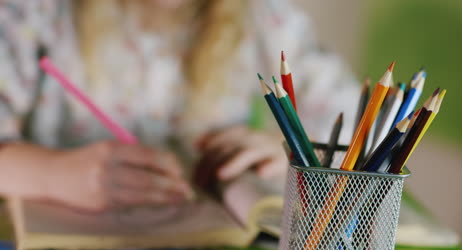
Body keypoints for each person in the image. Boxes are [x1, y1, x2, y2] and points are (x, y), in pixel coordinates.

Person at [0, 0, 359, 212]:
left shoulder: (264, 17)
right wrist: (52, 175)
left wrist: (293, 146)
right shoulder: (36, 14)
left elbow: (361, 124)